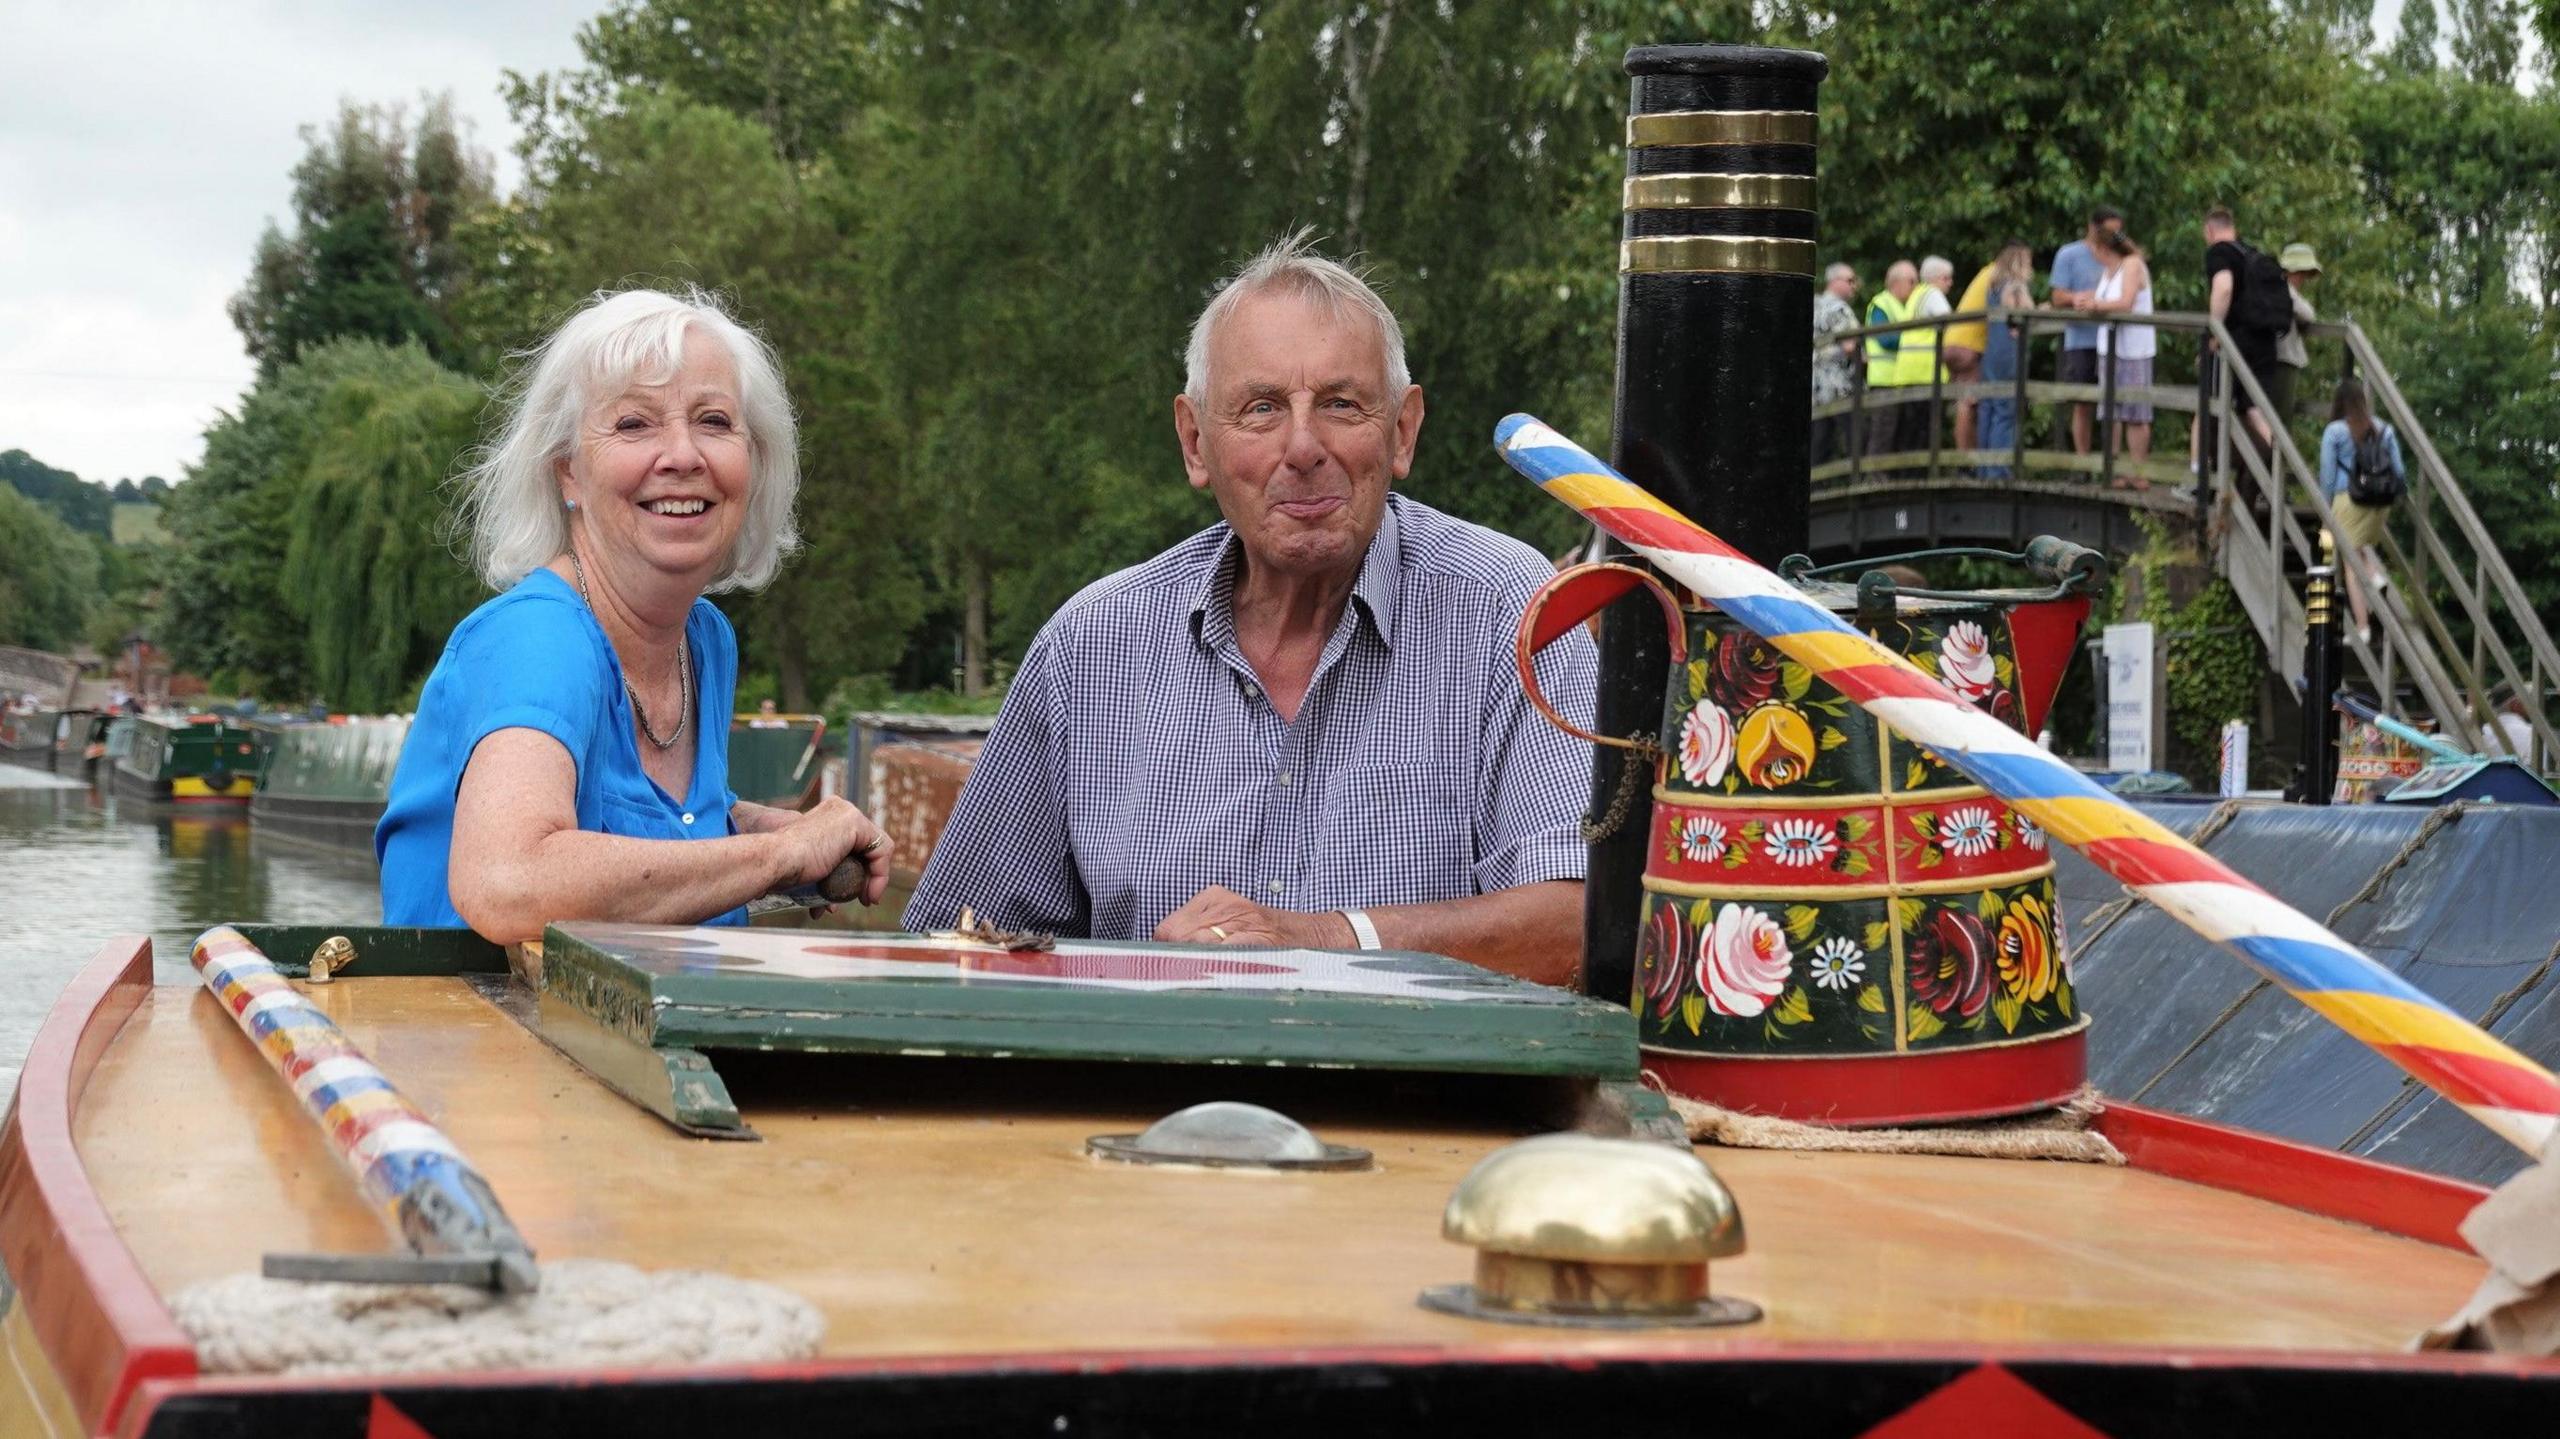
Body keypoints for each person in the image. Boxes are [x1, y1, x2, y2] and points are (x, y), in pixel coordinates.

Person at [905, 234, 1596, 986]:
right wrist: (1145, 979)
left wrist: (1326, 939)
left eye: (1340, 403)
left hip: (1420, 1102)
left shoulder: (1509, 610)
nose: (1303, 446)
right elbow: (958, 950)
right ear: (1195, 443)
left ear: (1402, 432)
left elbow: (1577, 924)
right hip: (1154, 1098)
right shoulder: (1089, 650)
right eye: (1262, 408)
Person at [376, 288, 893, 939]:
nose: (682, 454)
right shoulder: (537, 640)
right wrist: (776, 857)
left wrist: (752, 826)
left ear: (753, 462)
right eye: (633, 424)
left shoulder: (704, 642)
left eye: (713, 421)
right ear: (569, 474)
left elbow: (648, 816)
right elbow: (506, 882)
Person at [2316, 377, 2403, 643]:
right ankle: (2376, 578)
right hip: (2380, 503)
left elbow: (2328, 476)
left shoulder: (2335, 431)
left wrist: (2325, 507)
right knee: (2361, 547)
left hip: (2349, 501)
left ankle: (2363, 628)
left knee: (2351, 564)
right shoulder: (2384, 429)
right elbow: (2400, 472)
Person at [2204, 207, 2282, 456]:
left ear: (2209, 230)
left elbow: (2224, 287)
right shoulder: (2252, 253)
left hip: (2237, 341)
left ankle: (2203, 475)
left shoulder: (2219, 252)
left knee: (2211, 404)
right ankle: (2276, 474)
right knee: (2255, 409)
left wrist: (2215, 332)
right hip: (2265, 340)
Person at [2050, 205, 2123, 456]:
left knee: (2114, 403)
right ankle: (2081, 462)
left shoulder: (2120, 256)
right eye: (2109, 232)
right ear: (2093, 227)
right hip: (2080, 338)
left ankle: (2111, 461)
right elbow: (2057, 296)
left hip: (2114, 340)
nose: (2113, 238)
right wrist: (2077, 298)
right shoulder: (2069, 254)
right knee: (2082, 402)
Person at [2082, 229, 2156, 477]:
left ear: (2102, 248)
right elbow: (2107, 298)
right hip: (2109, 349)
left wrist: (2096, 306)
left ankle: (2138, 473)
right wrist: (2086, 300)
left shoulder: (2132, 264)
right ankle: (2112, 470)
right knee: (2111, 411)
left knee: (2135, 413)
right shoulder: (2108, 271)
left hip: (2134, 349)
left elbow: (2126, 302)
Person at [1974, 241, 2035, 479]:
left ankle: (1983, 467)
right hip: (2008, 353)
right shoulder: (2014, 286)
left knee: (1988, 409)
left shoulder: (1993, 286)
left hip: (1992, 351)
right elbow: (2020, 314)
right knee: (2006, 410)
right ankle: (1997, 470)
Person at [1861, 260, 1925, 466]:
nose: (1916, 285)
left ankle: (1888, 478)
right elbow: (1885, 338)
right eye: (1912, 280)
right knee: (1883, 433)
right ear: (1896, 282)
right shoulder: (1881, 303)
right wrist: (1915, 338)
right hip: (1884, 381)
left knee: (1898, 433)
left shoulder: (1902, 306)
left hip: (1898, 380)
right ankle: (1875, 479)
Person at [1945, 251, 2000, 455]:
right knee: (1969, 403)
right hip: (1968, 345)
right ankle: (1967, 459)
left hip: (1952, 340)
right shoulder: (1999, 274)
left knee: (1963, 403)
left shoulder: (1985, 272)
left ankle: (1964, 458)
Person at [1810, 263, 1861, 466]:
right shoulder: (1839, 308)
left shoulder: (1813, 303)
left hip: (1816, 386)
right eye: (1850, 280)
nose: (1854, 286)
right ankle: (1861, 481)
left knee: (1820, 441)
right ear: (1834, 281)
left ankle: (1816, 488)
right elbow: (1851, 345)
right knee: (1854, 435)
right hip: (1839, 384)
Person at [2269, 242, 2322, 432]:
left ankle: (2270, 459)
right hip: (2282, 359)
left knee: (2275, 416)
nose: (2304, 279)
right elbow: (2308, 314)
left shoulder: (2274, 288)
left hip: (2276, 358)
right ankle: (2275, 459)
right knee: (2280, 419)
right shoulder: (2283, 289)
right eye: (2303, 273)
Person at [1907, 256, 1955, 458]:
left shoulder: (1917, 294)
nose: (1950, 283)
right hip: (1927, 371)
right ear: (1934, 278)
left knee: (1914, 431)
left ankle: (1910, 474)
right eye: (1947, 278)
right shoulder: (1933, 294)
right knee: (1927, 429)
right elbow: (1951, 323)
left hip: (1911, 371)